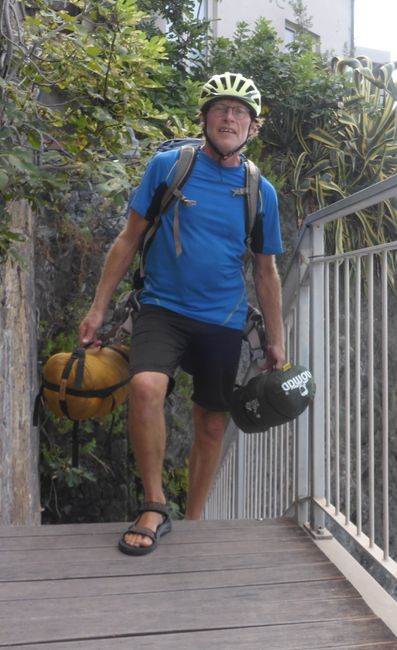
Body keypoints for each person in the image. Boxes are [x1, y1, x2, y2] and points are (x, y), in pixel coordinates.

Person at [78, 72, 285, 555]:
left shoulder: (261, 192)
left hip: (223, 319)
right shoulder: (170, 167)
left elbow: (266, 271)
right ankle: (154, 503)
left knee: (212, 423)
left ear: (252, 128)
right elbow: (128, 238)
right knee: (145, 386)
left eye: (240, 112)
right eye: (220, 108)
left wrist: (276, 339)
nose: (229, 117)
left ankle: (193, 518)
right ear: (204, 117)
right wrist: (98, 308)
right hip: (162, 307)